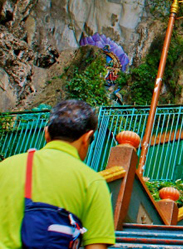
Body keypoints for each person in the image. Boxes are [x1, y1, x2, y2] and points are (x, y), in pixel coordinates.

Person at [0, 100, 115, 249]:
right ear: (87, 138)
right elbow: (96, 246)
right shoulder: (92, 182)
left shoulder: (6, 166)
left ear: (46, 133)